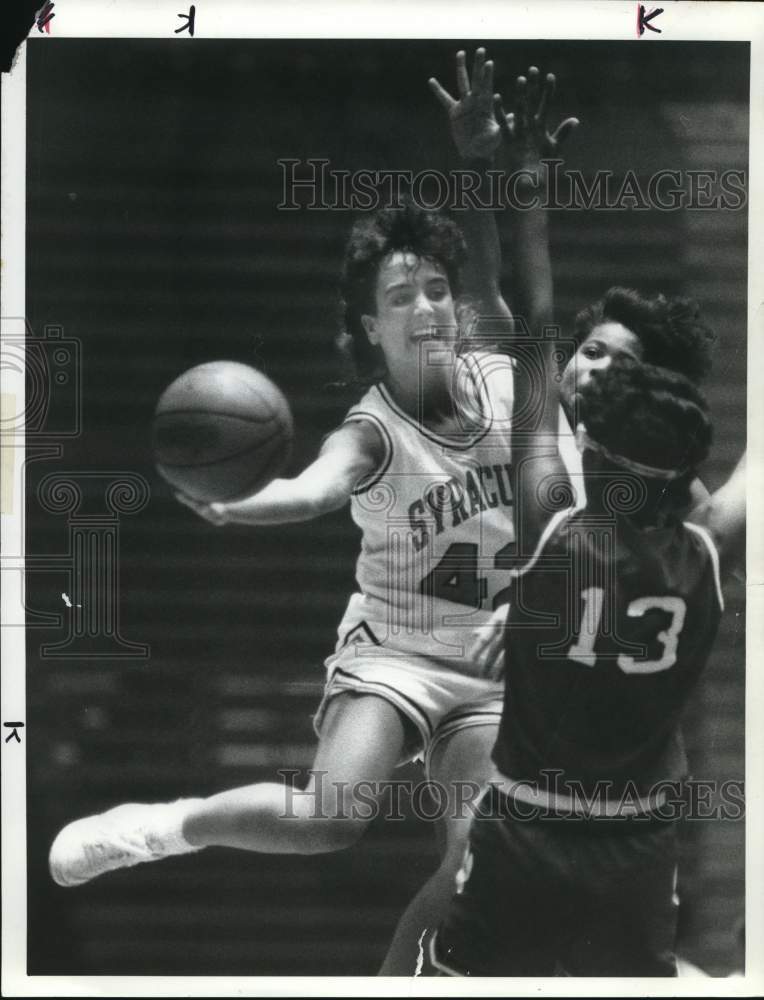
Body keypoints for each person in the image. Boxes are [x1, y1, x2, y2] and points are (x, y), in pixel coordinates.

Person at [47, 201, 524, 961]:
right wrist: (238, 501)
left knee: (478, 861)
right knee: (328, 816)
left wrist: (497, 172)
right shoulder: (373, 431)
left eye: (436, 288)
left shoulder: (504, 381)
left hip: (490, 665)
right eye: (400, 298)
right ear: (373, 328)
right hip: (395, 652)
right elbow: (314, 488)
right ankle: (166, 827)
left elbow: (509, 281)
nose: (424, 307)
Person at [427, 322, 745, 975]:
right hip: (636, 843)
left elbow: (536, 400)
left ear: (587, 452)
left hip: (524, 829)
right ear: (683, 480)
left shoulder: (550, 524)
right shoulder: (709, 549)